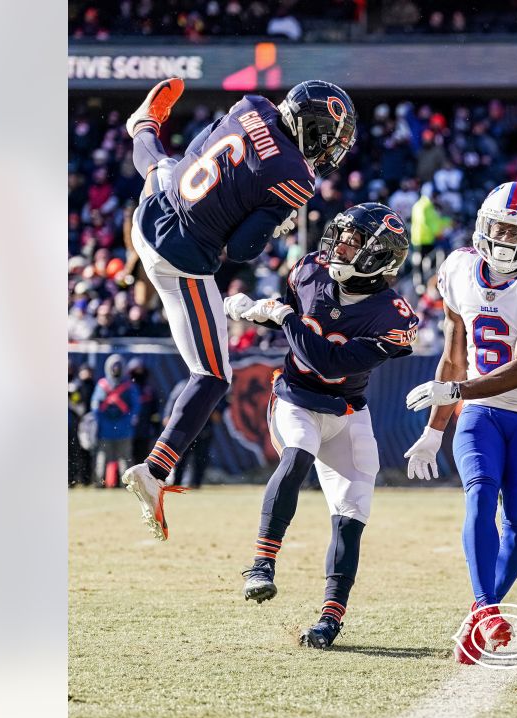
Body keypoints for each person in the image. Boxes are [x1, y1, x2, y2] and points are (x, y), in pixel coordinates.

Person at [120, 77, 358, 540]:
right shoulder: (296, 175)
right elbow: (243, 249)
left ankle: (142, 125)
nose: (330, 150)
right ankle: (154, 470)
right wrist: (275, 225)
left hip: (153, 211)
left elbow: (195, 152)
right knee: (212, 374)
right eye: (329, 139)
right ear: (311, 128)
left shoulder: (252, 105)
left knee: (162, 167)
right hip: (179, 259)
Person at [224, 203, 417, 650]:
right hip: (294, 398)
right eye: (341, 234)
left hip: (347, 412)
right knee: (297, 455)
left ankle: (330, 617)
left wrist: (285, 318)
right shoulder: (309, 270)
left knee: (350, 517)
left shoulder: (394, 316)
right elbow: (285, 310)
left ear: (378, 255)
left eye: (353, 240)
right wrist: (256, 309)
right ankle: (261, 563)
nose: (340, 245)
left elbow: (329, 361)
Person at [402, 181, 517, 664]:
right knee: (479, 493)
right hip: (480, 414)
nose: (505, 238)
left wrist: (456, 392)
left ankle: (482, 614)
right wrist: (434, 430)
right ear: (483, 224)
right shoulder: (458, 268)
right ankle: (485, 611)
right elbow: (454, 356)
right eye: (499, 227)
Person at [91, 354, 142, 488]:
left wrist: (127, 421)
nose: (116, 369)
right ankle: (99, 484)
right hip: (106, 429)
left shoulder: (129, 386)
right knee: (103, 458)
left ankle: (127, 485)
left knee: (125, 459)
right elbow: (96, 407)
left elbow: (135, 407)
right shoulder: (103, 385)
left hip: (123, 429)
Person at [410, 183, 452, 293]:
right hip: (422, 239)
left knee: (429, 261)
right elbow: (424, 223)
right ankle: (419, 285)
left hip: (429, 239)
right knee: (419, 262)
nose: (436, 197)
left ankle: (429, 282)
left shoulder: (429, 206)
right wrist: (438, 231)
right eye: (434, 194)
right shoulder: (422, 206)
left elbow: (435, 221)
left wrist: (448, 222)